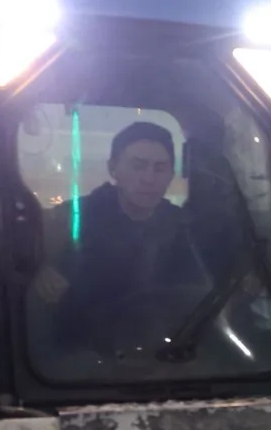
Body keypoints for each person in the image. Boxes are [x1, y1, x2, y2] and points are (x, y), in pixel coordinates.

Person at [31, 120, 215, 345]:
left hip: (163, 349)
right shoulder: (72, 219)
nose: (149, 178)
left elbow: (200, 293)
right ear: (113, 168)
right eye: (138, 165)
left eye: (160, 168)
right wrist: (39, 268)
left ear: (170, 174)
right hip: (80, 354)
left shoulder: (183, 226)